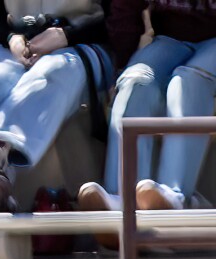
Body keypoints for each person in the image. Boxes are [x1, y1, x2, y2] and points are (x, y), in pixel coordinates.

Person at [0, 0, 112, 212]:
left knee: (51, 70)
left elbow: (116, 19)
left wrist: (66, 35)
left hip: (85, 45)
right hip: (24, 44)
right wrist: (11, 38)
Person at [77, 0, 216, 219]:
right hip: (171, 39)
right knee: (136, 81)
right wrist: (122, 64)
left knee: (188, 79)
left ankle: (175, 196)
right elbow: (125, 9)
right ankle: (122, 198)